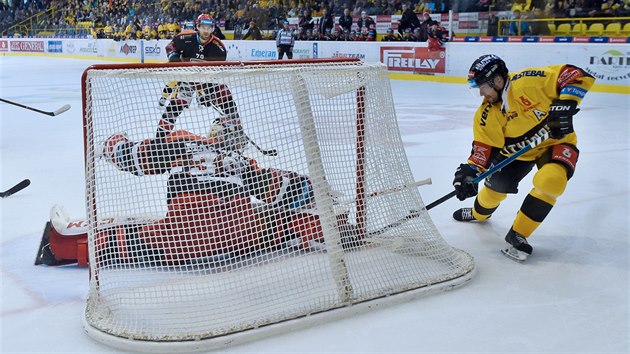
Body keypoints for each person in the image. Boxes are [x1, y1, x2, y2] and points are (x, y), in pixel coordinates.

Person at [35, 119, 358, 267]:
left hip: (185, 244)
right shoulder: (245, 163)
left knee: (126, 239)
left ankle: (58, 247)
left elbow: (131, 157)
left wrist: (113, 142)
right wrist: (322, 193)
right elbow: (288, 190)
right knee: (279, 221)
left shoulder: (183, 142)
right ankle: (331, 231)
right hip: (237, 241)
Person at [451, 54, 595, 261]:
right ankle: (478, 213)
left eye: (483, 86)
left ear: (498, 80)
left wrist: (566, 103)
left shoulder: (530, 82)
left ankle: (519, 233)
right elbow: (482, 154)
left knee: (551, 181)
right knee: (493, 193)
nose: (481, 93)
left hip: (556, 142)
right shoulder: (486, 114)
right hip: (515, 155)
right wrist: (468, 174)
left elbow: (573, 74)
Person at [158, 14, 233, 138]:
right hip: (187, 80)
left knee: (226, 96)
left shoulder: (218, 48)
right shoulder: (185, 38)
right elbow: (170, 47)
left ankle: (236, 128)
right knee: (173, 109)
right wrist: (174, 57)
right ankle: (160, 137)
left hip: (206, 79)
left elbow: (216, 73)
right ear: (197, 27)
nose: (206, 31)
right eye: (203, 27)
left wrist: (209, 92)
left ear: (213, 29)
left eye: (209, 28)